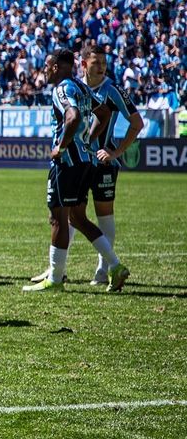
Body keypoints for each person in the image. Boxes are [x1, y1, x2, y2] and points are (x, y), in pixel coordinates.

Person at [24, 49, 129, 293]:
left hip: (67, 164)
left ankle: (56, 279)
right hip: (85, 162)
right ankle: (115, 265)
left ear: (59, 67)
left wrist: (61, 146)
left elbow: (72, 117)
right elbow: (102, 113)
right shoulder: (82, 88)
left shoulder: (62, 89)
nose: (46, 70)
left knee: (59, 219)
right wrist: (88, 141)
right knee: (77, 218)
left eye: (48, 66)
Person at [80, 45, 144, 286]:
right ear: (83, 63)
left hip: (103, 165)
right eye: (96, 62)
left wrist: (115, 152)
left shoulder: (113, 90)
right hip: (77, 162)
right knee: (69, 215)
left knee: (104, 215)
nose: (101, 66)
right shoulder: (74, 88)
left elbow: (137, 123)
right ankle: (58, 269)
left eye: (104, 62)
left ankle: (103, 268)